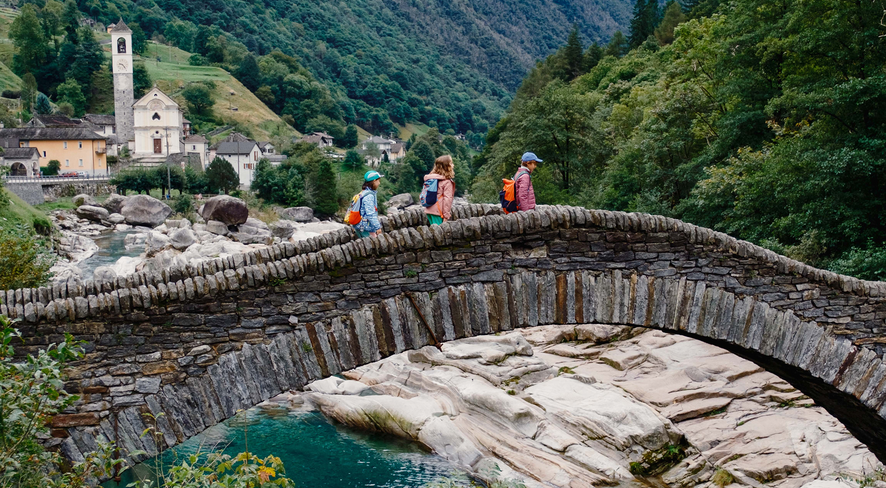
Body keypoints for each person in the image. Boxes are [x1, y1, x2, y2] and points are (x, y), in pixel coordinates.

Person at [424, 155, 456, 225]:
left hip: (429, 210)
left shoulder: (431, 178)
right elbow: (447, 199)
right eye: (451, 163)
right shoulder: (447, 182)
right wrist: (446, 215)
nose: (453, 165)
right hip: (438, 212)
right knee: (440, 234)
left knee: (434, 232)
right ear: (446, 167)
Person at [353, 170, 384, 238]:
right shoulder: (369, 196)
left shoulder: (364, 192)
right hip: (365, 228)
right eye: (378, 181)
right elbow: (370, 214)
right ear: (374, 181)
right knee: (373, 246)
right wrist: (378, 227)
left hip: (361, 226)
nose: (379, 183)